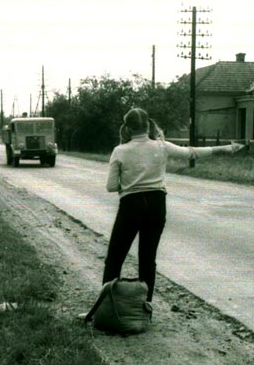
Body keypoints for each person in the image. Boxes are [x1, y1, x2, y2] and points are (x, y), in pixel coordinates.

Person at [103, 108, 244, 302]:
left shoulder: (120, 151)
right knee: (147, 259)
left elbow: (111, 186)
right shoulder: (162, 146)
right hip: (156, 204)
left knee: (115, 257)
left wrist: (127, 186)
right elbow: (191, 153)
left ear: (127, 127)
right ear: (148, 124)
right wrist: (225, 148)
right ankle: (145, 309)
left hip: (131, 205)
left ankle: (105, 306)